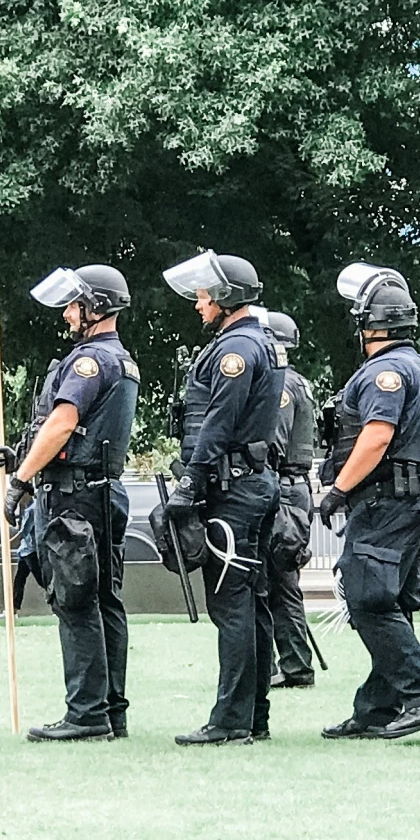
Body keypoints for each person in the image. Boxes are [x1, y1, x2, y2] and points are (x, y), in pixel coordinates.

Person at [0, 265, 141, 742]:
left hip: (74, 498)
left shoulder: (88, 361)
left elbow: (62, 425)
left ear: (95, 307)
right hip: (100, 490)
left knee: (76, 604)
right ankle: (110, 710)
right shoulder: (123, 361)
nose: (67, 315)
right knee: (103, 602)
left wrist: (21, 478)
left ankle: (87, 714)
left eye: (74, 306)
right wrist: (22, 456)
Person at [316, 263, 420, 741]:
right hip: (412, 500)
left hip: (386, 501)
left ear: (368, 323)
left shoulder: (386, 371)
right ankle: (377, 707)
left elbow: (377, 436)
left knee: (367, 598)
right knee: (389, 600)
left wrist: (338, 490)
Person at [159, 250, 283, 746]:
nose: (198, 303)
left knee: (231, 605)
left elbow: (219, 421)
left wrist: (190, 483)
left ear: (227, 297)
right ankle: (253, 717)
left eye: (205, 295)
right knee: (251, 604)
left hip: (232, 491)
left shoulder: (235, 350)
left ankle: (231, 722)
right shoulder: (262, 343)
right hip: (250, 485)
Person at [262, 309, 319, 690]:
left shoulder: (281, 385)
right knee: (280, 582)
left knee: (277, 583)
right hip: (293, 488)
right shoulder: (299, 382)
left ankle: (295, 666)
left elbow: (274, 442)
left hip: (282, 489)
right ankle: (292, 663)